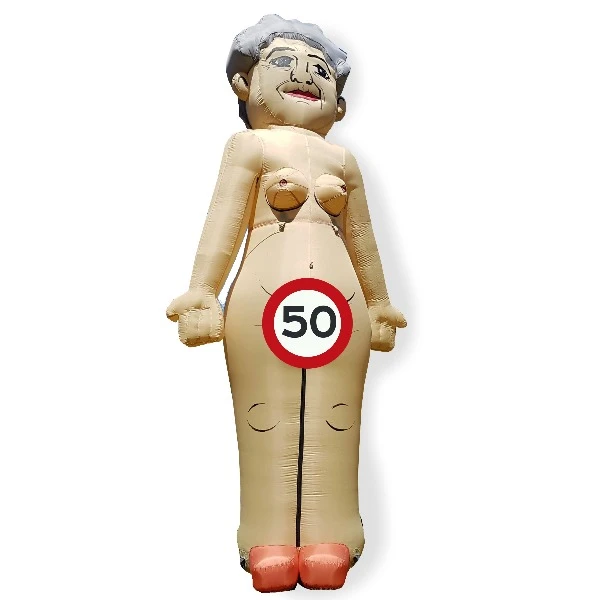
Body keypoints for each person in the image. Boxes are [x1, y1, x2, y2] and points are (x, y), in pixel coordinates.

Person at [166, 14, 407, 592]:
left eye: (320, 70)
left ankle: (332, 532)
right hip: (261, 295)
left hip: (340, 302)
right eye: (283, 63)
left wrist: (379, 303)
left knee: (337, 413)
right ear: (244, 84)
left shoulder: (344, 163)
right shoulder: (248, 147)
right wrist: (202, 291)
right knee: (265, 412)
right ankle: (267, 536)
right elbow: (224, 221)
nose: (303, 76)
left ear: (340, 104)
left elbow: (363, 239)